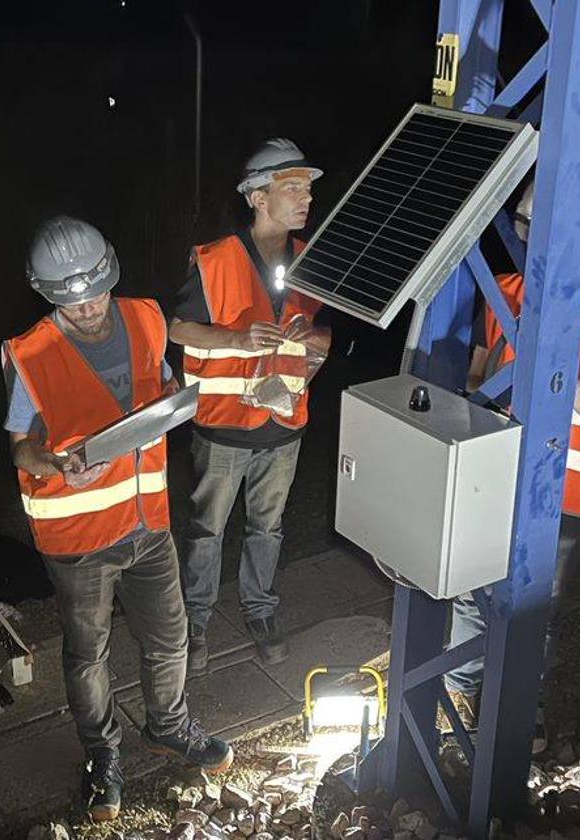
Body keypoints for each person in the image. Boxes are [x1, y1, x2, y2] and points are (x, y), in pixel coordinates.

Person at [1, 216, 232, 822]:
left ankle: (169, 727)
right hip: (77, 541)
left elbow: (158, 383)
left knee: (169, 638)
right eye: (73, 305)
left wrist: (175, 397)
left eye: (97, 294)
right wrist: (50, 462)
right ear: (49, 296)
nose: (89, 310)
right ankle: (102, 758)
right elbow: (20, 447)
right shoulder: (30, 354)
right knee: (88, 655)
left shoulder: (146, 316)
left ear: (111, 273)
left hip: (147, 521)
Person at [442, 183, 580, 750]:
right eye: (530, 226)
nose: (541, 239)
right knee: (470, 590)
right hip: (498, 480)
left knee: (535, 606)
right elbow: (474, 381)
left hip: (567, 496)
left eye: (557, 228)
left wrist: (553, 370)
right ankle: (464, 695)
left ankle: (517, 715)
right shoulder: (502, 292)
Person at [168, 138, 332, 672]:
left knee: (268, 527)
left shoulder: (312, 258)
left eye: (307, 189)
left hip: (284, 423)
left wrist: (318, 343)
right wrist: (237, 340)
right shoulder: (214, 260)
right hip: (223, 427)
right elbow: (178, 327)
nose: (305, 199)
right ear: (258, 197)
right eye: (293, 188)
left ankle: (260, 611)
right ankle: (196, 624)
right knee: (206, 530)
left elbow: (333, 337)